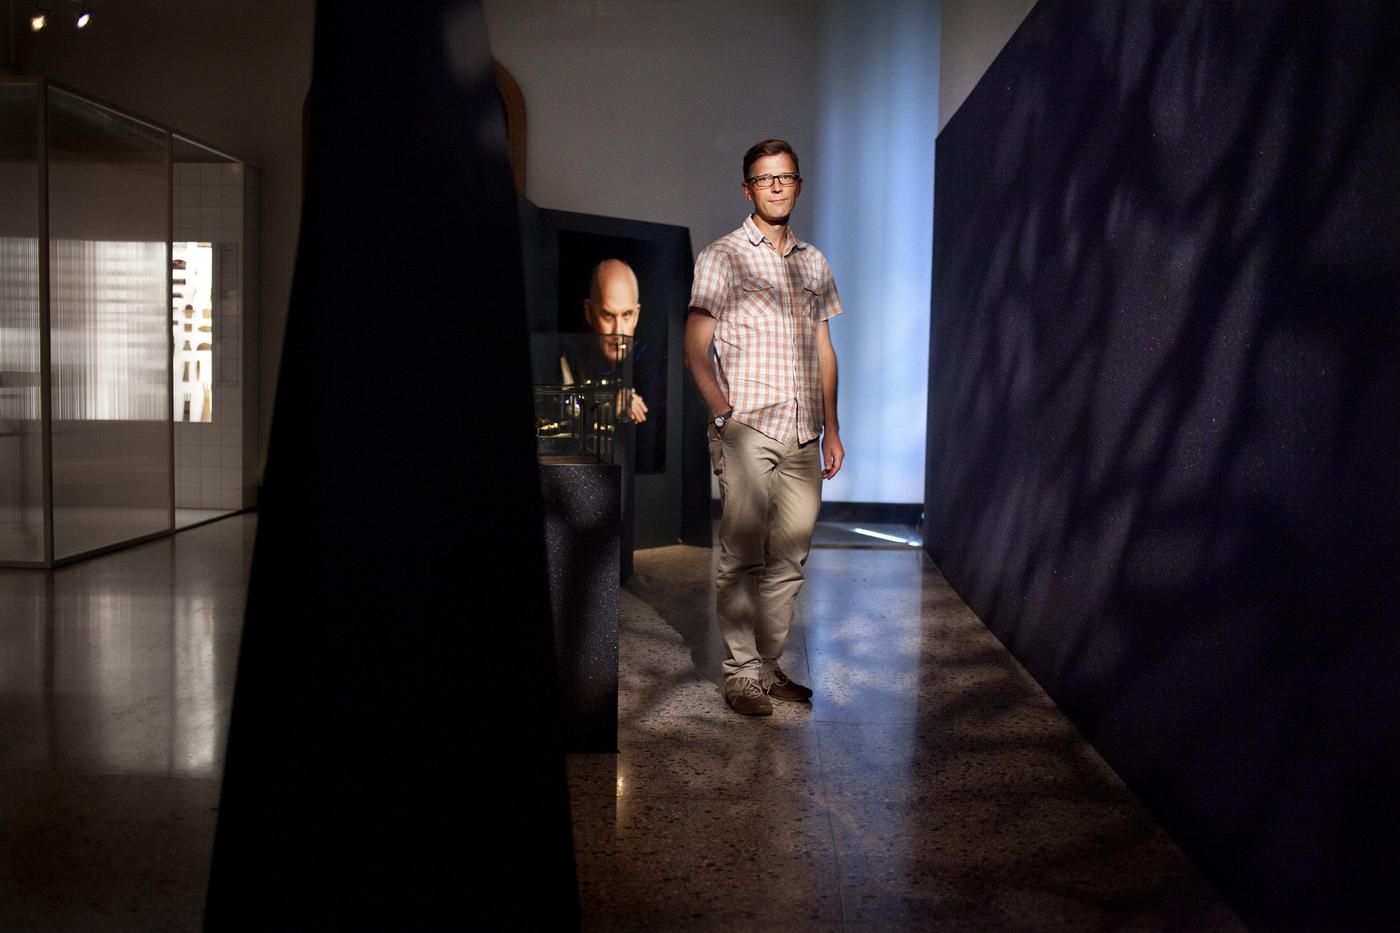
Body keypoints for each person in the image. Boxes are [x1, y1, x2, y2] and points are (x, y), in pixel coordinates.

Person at [684, 138, 845, 716]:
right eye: (764, 178)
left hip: (805, 431)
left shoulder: (814, 262)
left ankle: (769, 666)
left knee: (790, 558)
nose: (776, 185)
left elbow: (824, 350)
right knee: (742, 556)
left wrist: (832, 428)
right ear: (747, 188)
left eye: (785, 176)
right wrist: (722, 413)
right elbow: (695, 346)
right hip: (748, 428)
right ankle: (741, 674)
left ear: (798, 185)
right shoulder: (722, 256)